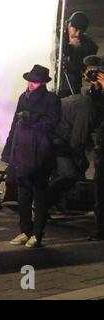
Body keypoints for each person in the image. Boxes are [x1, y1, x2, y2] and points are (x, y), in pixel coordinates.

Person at [2, 65, 61, 248]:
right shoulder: (23, 96)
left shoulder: (51, 99)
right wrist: (8, 150)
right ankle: (25, 230)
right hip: (21, 152)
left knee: (39, 194)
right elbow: (14, 123)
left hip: (39, 153)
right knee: (23, 195)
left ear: (42, 82)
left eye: (34, 81)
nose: (30, 84)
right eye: (29, 80)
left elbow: (52, 122)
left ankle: (37, 233)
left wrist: (31, 117)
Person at [85, 55, 104, 241]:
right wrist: (96, 90)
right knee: (100, 187)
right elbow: (94, 115)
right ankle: (100, 228)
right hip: (101, 145)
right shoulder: (96, 91)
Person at [60, 11, 98, 97]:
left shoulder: (84, 41)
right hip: (57, 80)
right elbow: (55, 54)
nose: (77, 34)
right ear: (69, 25)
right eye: (76, 29)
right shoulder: (59, 36)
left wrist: (78, 50)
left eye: (81, 31)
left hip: (74, 84)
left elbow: (92, 49)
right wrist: (69, 47)